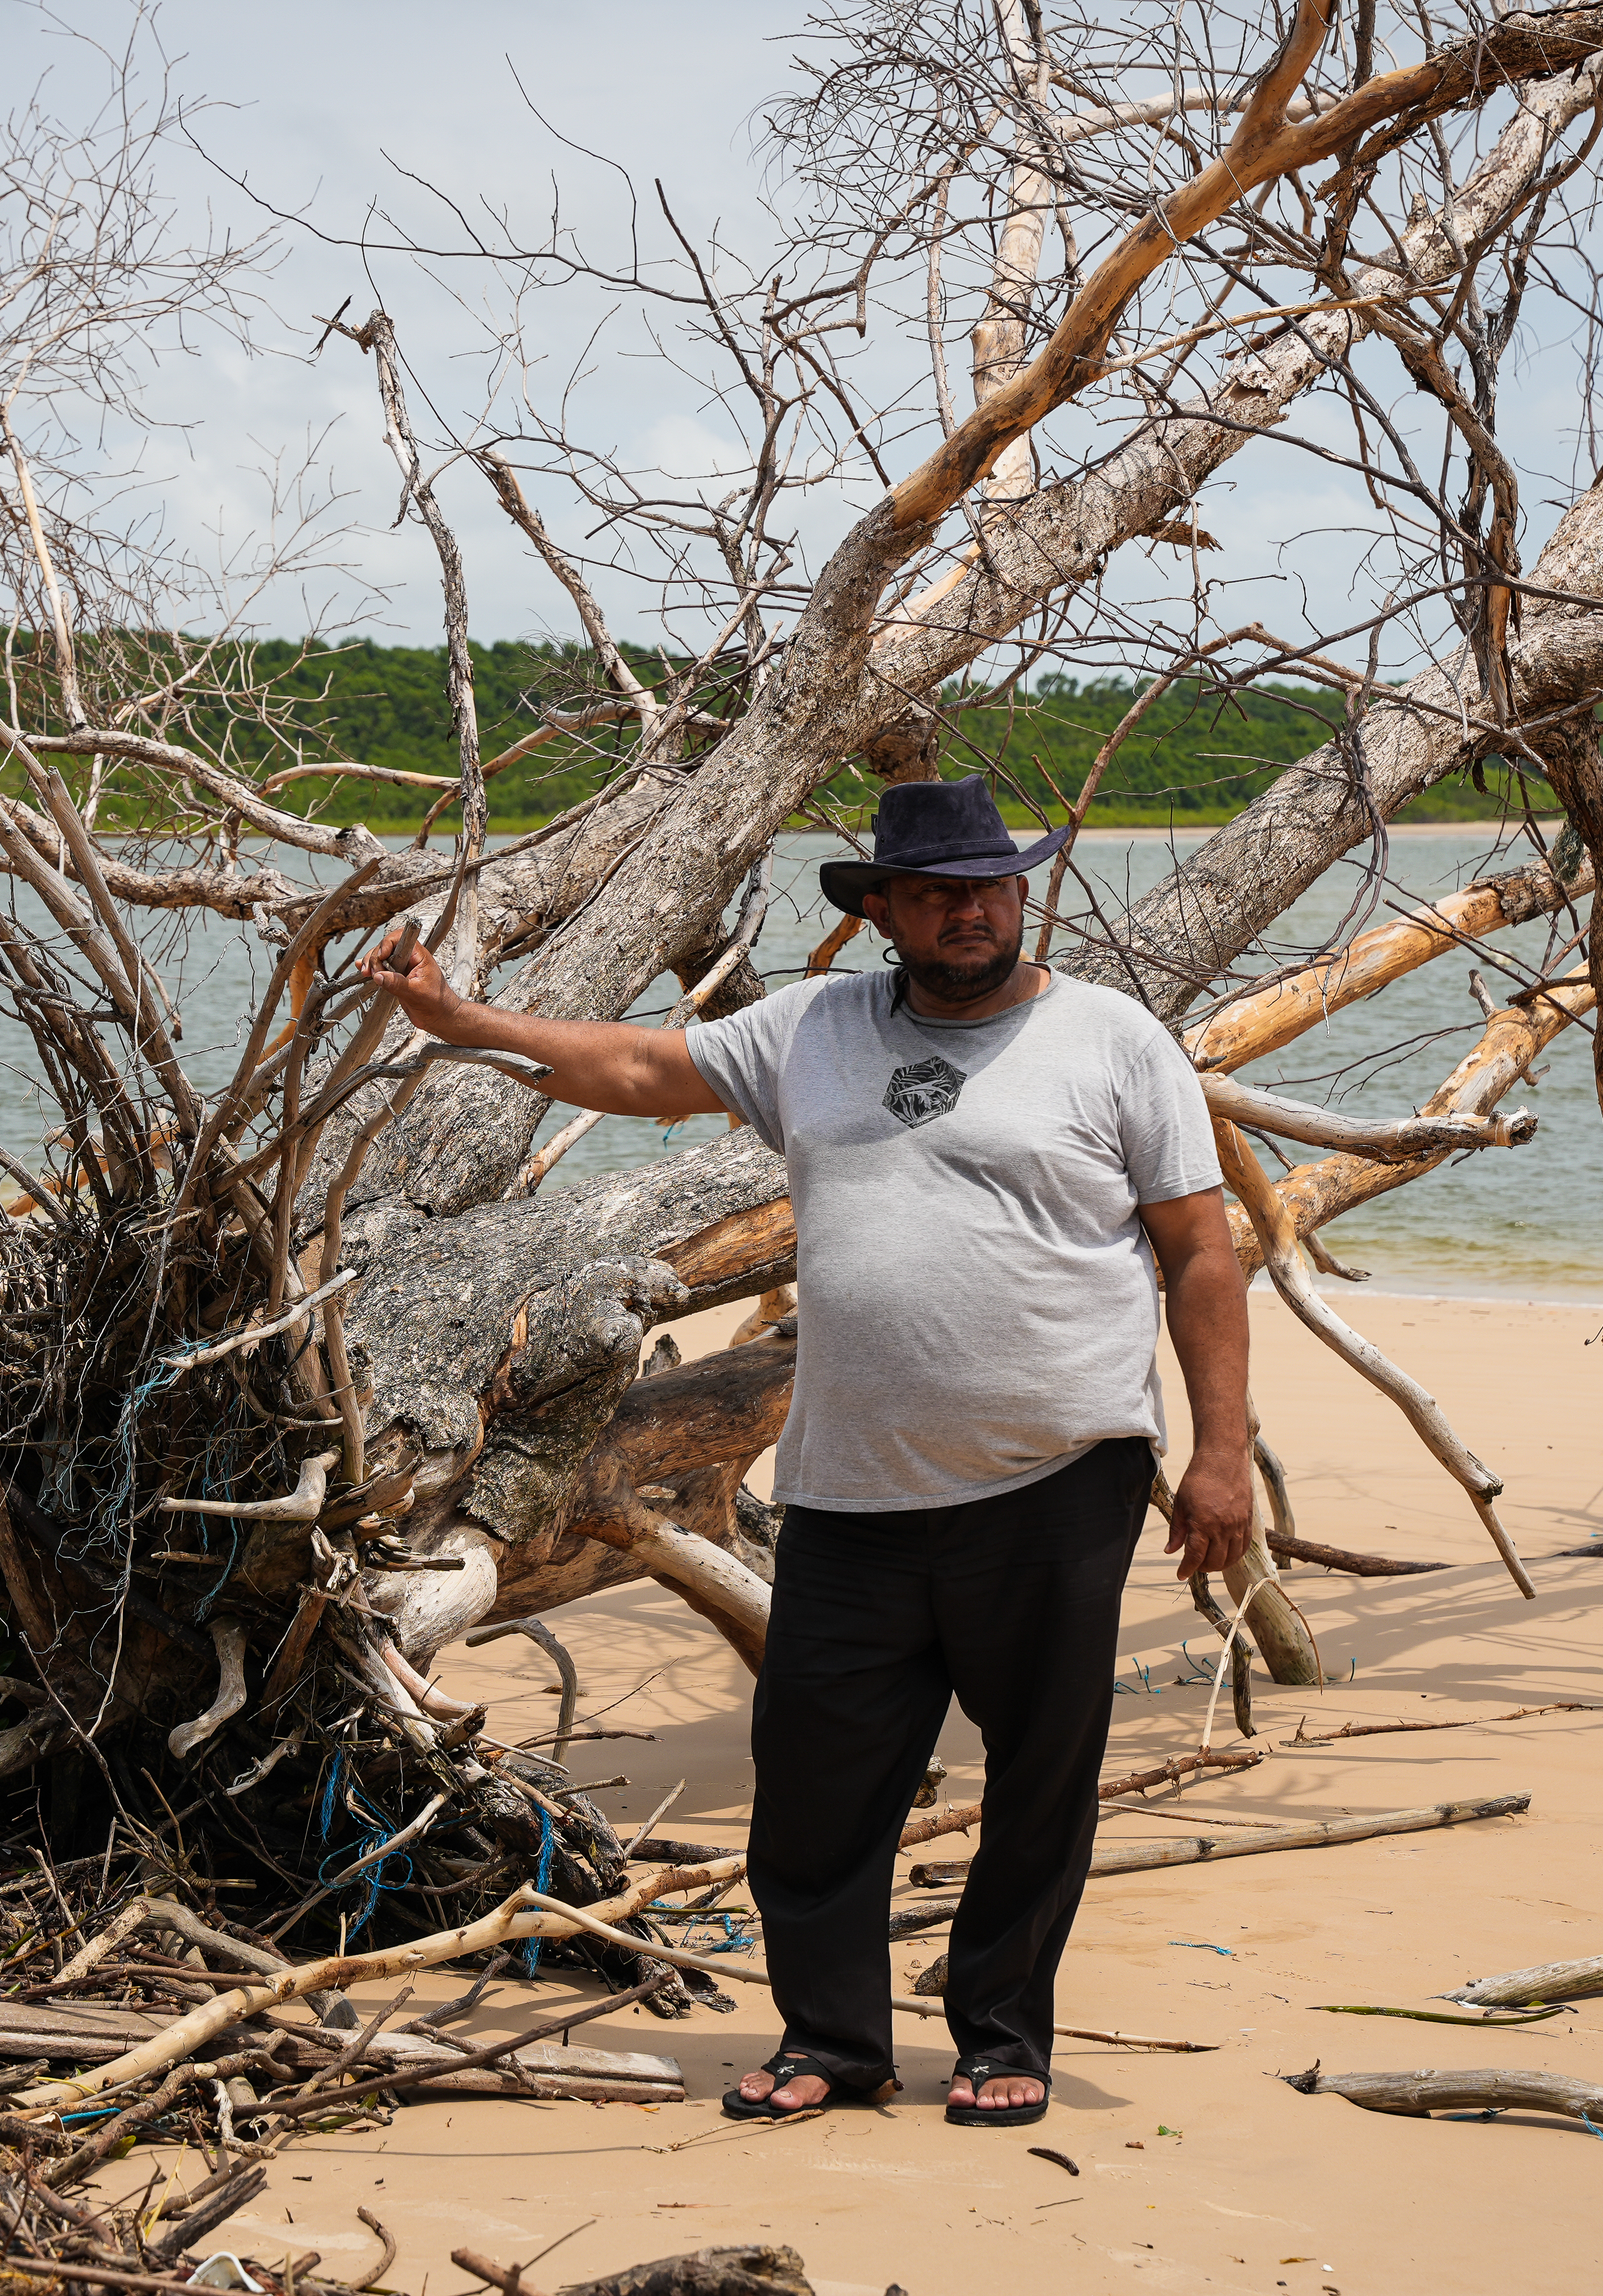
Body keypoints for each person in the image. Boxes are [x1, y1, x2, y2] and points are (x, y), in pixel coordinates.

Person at [357, 775, 1255, 2130]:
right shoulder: (816, 1027)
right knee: (817, 1781)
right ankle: (834, 2039)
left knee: (1040, 1777)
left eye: (988, 886)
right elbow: (640, 1071)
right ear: (882, 908)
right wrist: (460, 1020)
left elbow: (1201, 1253)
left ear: (1022, 893)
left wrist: (1221, 1453)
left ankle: (1003, 2032)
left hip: (1059, 1475)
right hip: (849, 1485)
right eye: (935, 892)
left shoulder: (1115, 1040)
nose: (968, 910)